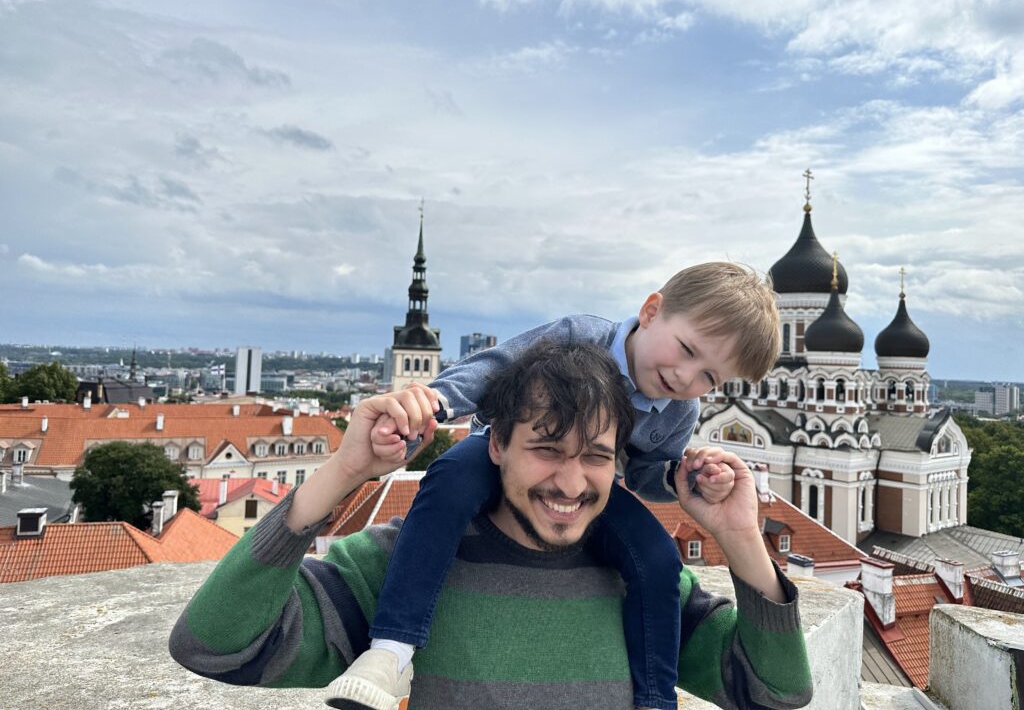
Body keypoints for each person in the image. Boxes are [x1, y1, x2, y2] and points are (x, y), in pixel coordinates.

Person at [168, 340, 812, 710]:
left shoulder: (641, 583)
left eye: (596, 456)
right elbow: (216, 646)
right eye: (547, 449)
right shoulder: (403, 568)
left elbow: (775, 694)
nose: (570, 482)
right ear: (495, 443)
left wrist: (741, 538)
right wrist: (342, 471)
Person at [328, 261, 780, 710]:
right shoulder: (580, 335)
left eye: (709, 377)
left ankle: (655, 700)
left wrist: (681, 478)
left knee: (659, 558)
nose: (686, 377)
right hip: (507, 451)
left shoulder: (681, 410)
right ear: (651, 311)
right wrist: (438, 402)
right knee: (448, 479)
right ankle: (391, 652)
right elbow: (497, 366)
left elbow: (645, 475)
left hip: (589, 485)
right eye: (686, 349)